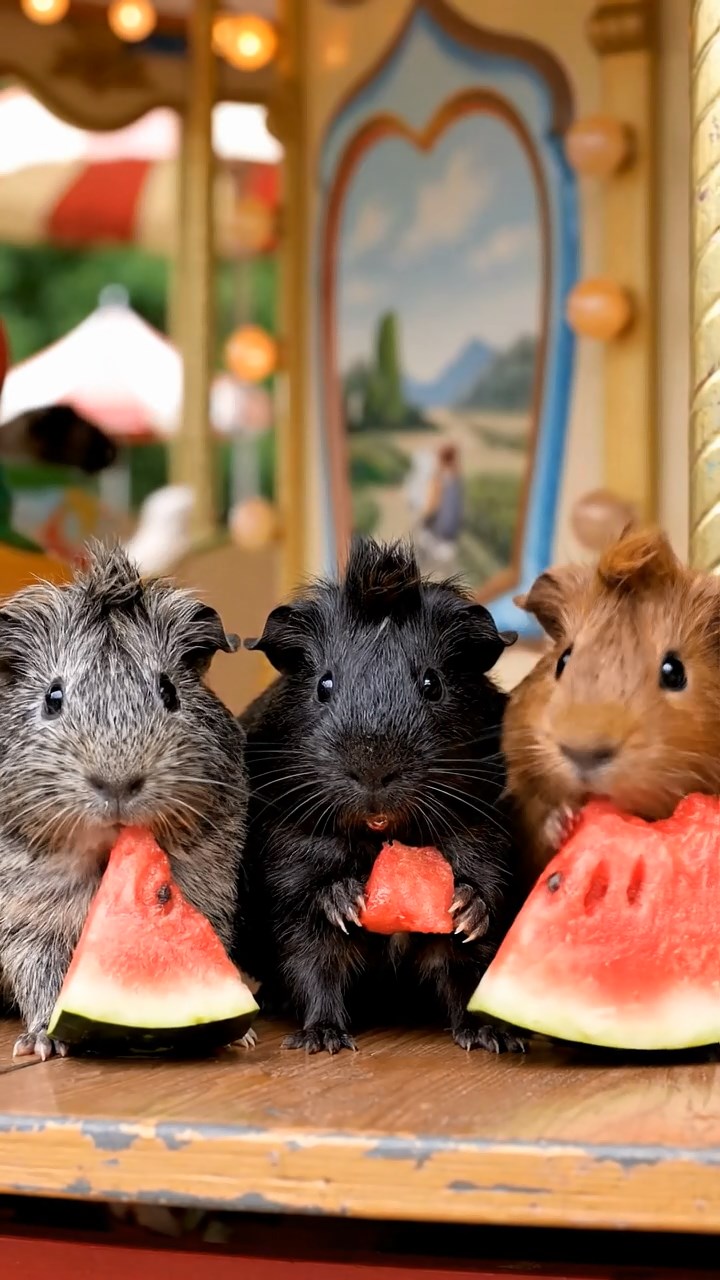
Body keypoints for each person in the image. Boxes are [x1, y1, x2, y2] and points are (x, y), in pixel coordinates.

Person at [415, 443, 463, 568]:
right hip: (450, 533)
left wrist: (421, 521)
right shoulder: (456, 479)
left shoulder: (439, 480)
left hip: (438, 533)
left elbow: (431, 506)